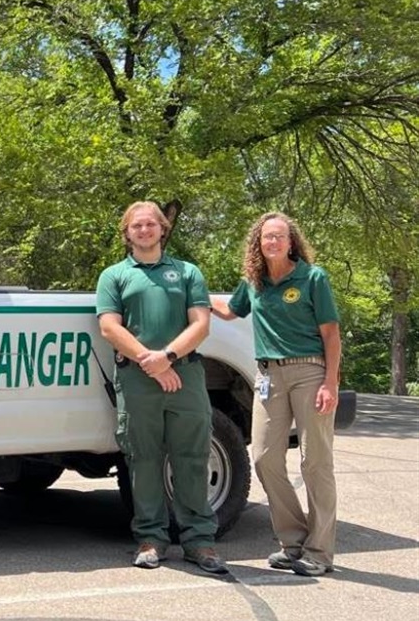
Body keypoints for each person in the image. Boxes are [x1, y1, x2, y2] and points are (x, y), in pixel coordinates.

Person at [95, 201, 226, 574]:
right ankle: (151, 539)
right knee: (143, 460)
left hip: (184, 375)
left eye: (151, 224)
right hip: (137, 379)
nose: (144, 229)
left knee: (192, 459)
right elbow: (109, 327)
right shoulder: (114, 276)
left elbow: (201, 324)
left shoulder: (186, 273)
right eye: (137, 225)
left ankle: (200, 542)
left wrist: (167, 356)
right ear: (127, 232)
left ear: (162, 229)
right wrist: (150, 363)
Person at [211, 212, 341, 577]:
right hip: (268, 374)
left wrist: (330, 383)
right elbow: (230, 310)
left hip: (309, 371)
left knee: (316, 462)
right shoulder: (254, 281)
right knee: (265, 458)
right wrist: (197, 299)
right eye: (267, 237)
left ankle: (320, 552)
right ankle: (293, 540)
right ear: (258, 242)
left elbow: (331, 334)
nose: (273, 242)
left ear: (291, 241)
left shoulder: (313, 278)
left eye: (279, 237)